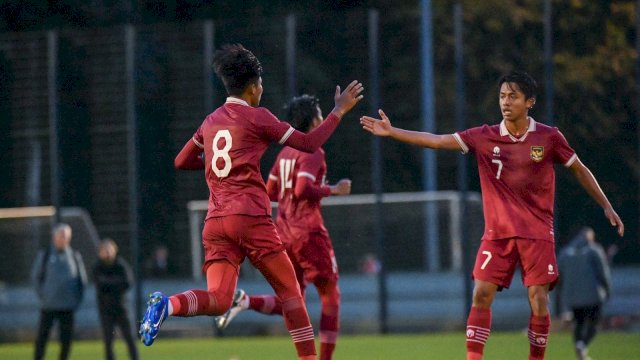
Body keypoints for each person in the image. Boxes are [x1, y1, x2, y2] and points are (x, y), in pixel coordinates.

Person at [360, 71, 624, 360]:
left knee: (538, 299)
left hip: (536, 233)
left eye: (513, 96)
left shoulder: (548, 137)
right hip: (497, 235)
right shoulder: (484, 136)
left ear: (529, 102)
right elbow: (436, 141)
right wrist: (393, 131)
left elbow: (578, 168)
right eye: (502, 96)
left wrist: (606, 205)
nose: (505, 102)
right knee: (481, 293)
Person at [138, 43, 363, 360]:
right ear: (254, 86)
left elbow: (181, 161)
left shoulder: (210, 121)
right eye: (261, 84)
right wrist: (339, 111)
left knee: (218, 299)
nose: (263, 89)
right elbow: (309, 143)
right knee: (290, 292)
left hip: (216, 222)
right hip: (250, 217)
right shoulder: (258, 117)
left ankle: (168, 304)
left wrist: (216, 164)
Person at [213, 94, 351, 360]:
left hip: (284, 234)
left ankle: (246, 301)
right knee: (330, 297)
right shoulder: (313, 151)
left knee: (292, 300)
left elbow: (271, 192)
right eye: (321, 114)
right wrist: (333, 190)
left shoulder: (285, 153)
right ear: (313, 120)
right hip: (308, 233)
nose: (323, 119)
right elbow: (302, 188)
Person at [31, 223, 88, 360]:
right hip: (48, 306)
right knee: (42, 338)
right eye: (61, 235)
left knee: (66, 340)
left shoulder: (74, 256)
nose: (63, 238)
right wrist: (43, 296)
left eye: (66, 236)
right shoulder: (45, 255)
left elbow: (82, 280)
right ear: (54, 237)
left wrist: (76, 300)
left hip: (68, 306)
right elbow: (35, 278)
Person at [558, 227, 611, 360]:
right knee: (594, 323)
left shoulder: (565, 253)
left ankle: (579, 347)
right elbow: (603, 272)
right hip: (593, 295)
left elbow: (558, 276)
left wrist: (562, 297)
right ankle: (583, 344)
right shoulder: (594, 250)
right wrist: (607, 289)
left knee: (579, 323)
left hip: (573, 298)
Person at [93, 238, 139, 360]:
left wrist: (109, 284)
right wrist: (116, 283)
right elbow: (100, 285)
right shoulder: (98, 267)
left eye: (109, 249)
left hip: (122, 308)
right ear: (100, 252)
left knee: (130, 338)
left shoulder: (121, 265)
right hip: (105, 310)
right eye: (104, 250)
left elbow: (127, 283)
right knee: (108, 341)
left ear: (115, 250)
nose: (107, 252)